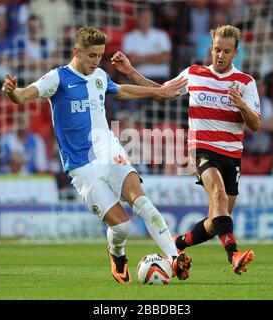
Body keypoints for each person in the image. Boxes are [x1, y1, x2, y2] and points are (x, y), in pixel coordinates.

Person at [1, 26, 191, 283]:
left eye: (100, 55)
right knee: (122, 226)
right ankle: (117, 252)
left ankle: (173, 256)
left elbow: (121, 90)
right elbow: (23, 96)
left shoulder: (100, 75)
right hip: (81, 166)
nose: (96, 61)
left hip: (109, 149)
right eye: (91, 55)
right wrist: (13, 91)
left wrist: (157, 90)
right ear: (76, 51)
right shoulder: (57, 79)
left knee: (141, 202)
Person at [111, 25, 260, 275]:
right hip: (202, 150)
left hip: (232, 155)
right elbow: (161, 92)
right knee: (220, 196)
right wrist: (130, 71)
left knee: (217, 220)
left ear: (235, 53)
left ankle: (176, 245)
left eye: (226, 51)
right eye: (216, 50)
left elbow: (255, 124)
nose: (220, 56)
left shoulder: (245, 82)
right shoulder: (195, 74)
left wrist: (242, 105)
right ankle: (233, 255)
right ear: (210, 49)